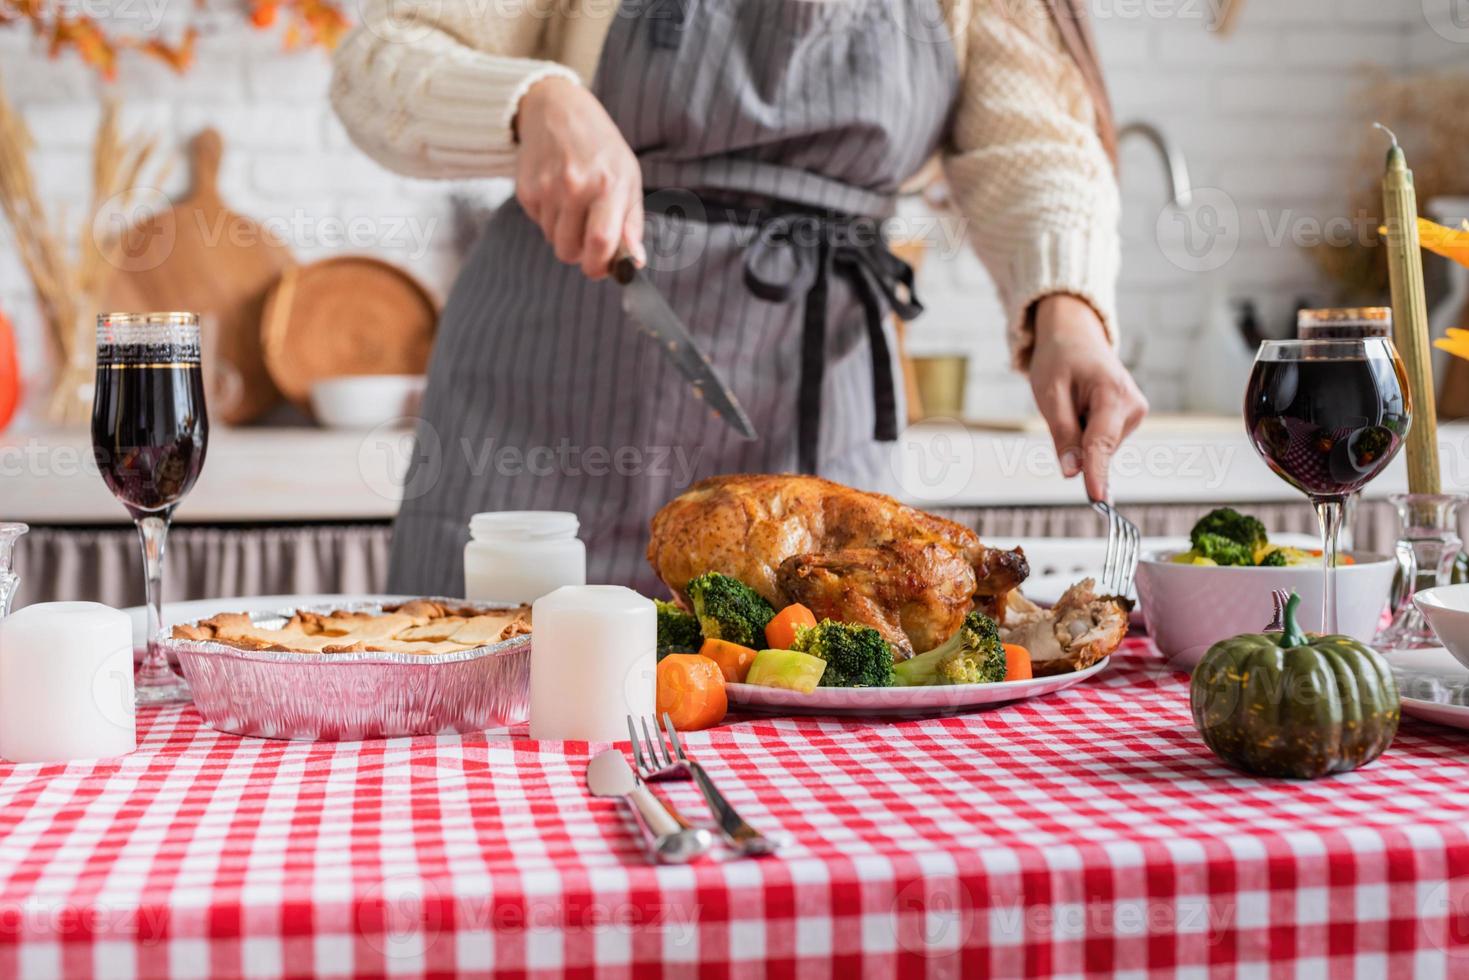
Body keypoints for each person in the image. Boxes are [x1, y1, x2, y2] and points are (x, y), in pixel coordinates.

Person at [331, 0, 1148, 596]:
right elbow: (380, 62)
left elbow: (1036, 140)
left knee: (820, 711)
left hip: (816, 407)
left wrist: (1065, 314)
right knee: (487, 721)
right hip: (548, 398)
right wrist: (533, 101)